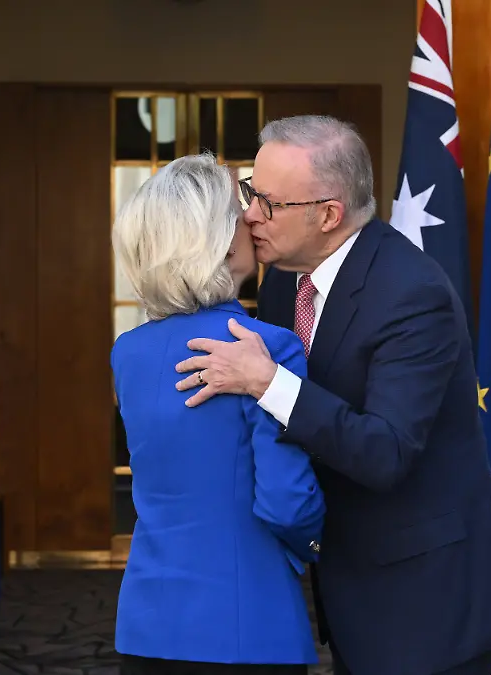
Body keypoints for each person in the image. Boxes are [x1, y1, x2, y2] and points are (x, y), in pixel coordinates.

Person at [174, 115, 491, 675]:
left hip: (424, 599)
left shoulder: (413, 294)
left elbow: (385, 451)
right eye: (249, 192)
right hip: (350, 579)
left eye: (267, 202)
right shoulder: (285, 278)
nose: (248, 215)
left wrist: (269, 383)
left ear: (329, 214)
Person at [110, 152, 326, 675]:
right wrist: (320, 549)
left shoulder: (128, 352)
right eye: (241, 209)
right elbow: (287, 502)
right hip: (247, 623)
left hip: (147, 623)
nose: (253, 219)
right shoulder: (266, 346)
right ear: (219, 239)